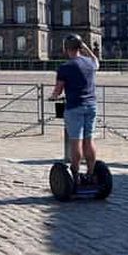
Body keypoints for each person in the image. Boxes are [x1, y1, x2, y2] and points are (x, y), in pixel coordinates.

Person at [48, 34, 99, 186]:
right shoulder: (90, 64)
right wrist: (87, 49)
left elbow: (58, 90)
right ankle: (90, 173)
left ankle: (75, 174)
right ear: (80, 47)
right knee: (89, 140)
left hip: (74, 107)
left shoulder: (65, 67)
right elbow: (97, 61)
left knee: (75, 141)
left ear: (66, 48)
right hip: (91, 105)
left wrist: (52, 97)